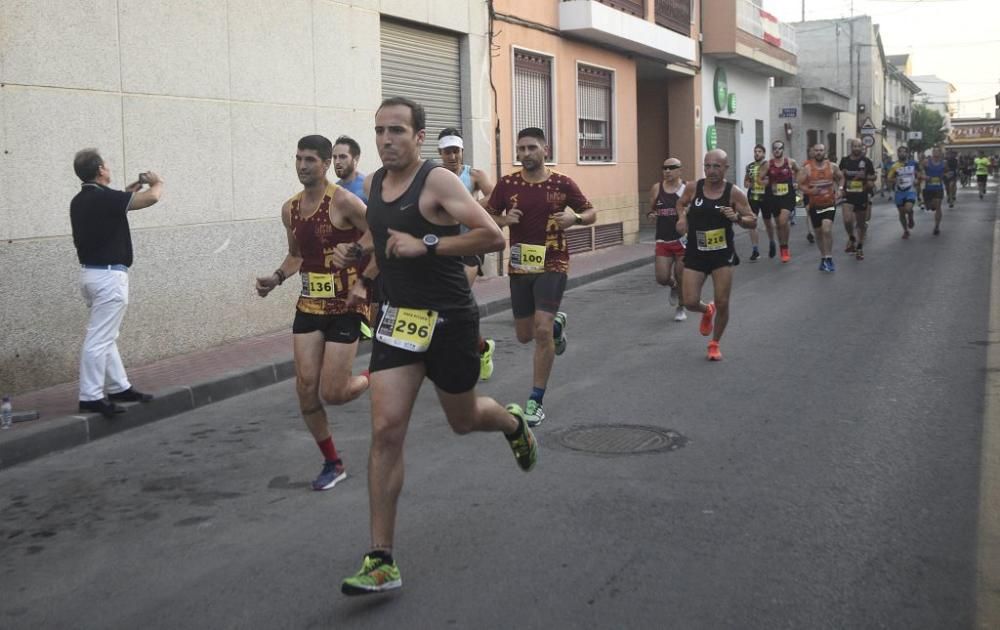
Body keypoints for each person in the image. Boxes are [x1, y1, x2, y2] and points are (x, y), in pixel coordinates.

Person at [337, 96, 537, 596]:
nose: (387, 139)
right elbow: (381, 237)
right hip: (397, 321)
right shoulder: (374, 185)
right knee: (385, 430)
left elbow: (491, 236)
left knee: (463, 419)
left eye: (398, 131)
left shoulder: (439, 181)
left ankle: (512, 422)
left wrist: (427, 244)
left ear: (419, 137)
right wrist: (358, 252)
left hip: (448, 320)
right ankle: (381, 557)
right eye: (380, 130)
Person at [255, 135, 374, 492]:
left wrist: (356, 257)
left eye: (310, 159)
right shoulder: (289, 209)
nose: (302, 165)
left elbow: (380, 234)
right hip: (308, 305)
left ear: (325, 164)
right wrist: (275, 278)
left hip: (345, 307)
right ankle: (332, 462)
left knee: (334, 392)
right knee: (306, 389)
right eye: (298, 159)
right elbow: (297, 256)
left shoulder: (344, 201)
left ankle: (375, 372)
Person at [486, 127, 597, 427]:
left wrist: (575, 218)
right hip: (521, 266)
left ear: (545, 150)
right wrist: (503, 220)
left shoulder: (562, 183)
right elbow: (485, 213)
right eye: (520, 149)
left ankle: (535, 400)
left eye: (531, 148)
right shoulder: (507, 184)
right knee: (524, 335)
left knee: (542, 330)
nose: (525, 154)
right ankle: (558, 326)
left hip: (554, 262)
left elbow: (591, 213)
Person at [70, 149, 162, 418]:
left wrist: (125, 193)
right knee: (99, 338)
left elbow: (108, 211)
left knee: (106, 334)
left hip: (90, 275)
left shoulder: (80, 201)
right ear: (100, 170)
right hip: (109, 278)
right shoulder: (105, 199)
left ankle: (119, 387)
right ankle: (90, 396)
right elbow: (152, 198)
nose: (109, 168)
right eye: (107, 165)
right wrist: (158, 182)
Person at [675, 149, 756, 361]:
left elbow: (752, 220)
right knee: (690, 301)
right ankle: (706, 310)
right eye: (707, 166)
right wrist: (682, 217)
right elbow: (681, 203)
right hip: (696, 251)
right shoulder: (694, 187)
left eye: (716, 166)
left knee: (722, 301)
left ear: (726, 168)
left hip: (722, 254)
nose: (711, 171)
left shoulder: (733, 192)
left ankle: (714, 343)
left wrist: (737, 217)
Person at [437, 127, 497, 380]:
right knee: (449, 308)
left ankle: (459, 356)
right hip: (442, 249)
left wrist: (468, 208)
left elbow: (496, 198)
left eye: (456, 151)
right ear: (440, 153)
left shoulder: (473, 175)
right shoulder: (434, 176)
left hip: (469, 247)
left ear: (462, 151)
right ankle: (482, 347)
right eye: (447, 152)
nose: (452, 156)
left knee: (454, 298)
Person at [647, 157, 687, 321]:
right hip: (663, 240)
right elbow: (651, 210)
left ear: (679, 170)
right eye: (664, 168)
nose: (667, 171)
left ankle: (681, 307)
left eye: (672, 168)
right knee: (662, 278)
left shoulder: (686, 189)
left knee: (681, 274)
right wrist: (651, 215)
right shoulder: (657, 188)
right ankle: (674, 287)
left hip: (683, 240)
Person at [798, 143, 844, 272]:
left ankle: (829, 258)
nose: (819, 152)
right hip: (814, 205)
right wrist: (809, 191)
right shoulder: (807, 168)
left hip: (829, 203)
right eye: (816, 150)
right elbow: (799, 184)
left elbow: (841, 178)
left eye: (821, 150)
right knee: (818, 233)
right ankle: (823, 257)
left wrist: (840, 190)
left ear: (825, 152)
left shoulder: (832, 166)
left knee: (827, 229)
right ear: (813, 152)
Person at [760, 140, 799, 263]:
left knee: (783, 221)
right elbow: (759, 178)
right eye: (775, 148)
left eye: (779, 148)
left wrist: (796, 182)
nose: (777, 150)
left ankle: (785, 247)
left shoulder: (790, 162)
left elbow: (799, 171)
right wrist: (764, 183)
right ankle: (782, 247)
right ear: (772, 150)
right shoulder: (768, 164)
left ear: (783, 149)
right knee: (778, 224)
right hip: (773, 196)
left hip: (788, 196)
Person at [838, 139, 876, 260]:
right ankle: (851, 237)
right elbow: (839, 176)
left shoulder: (866, 161)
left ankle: (859, 248)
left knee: (861, 224)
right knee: (847, 220)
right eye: (855, 146)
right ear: (851, 147)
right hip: (848, 195)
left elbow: (874, 176)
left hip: (861, 195)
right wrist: (840, 188)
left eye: (859, 146)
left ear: (862, 147)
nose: (857, 148)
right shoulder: (844, 161)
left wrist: (866, 176)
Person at [743, 144, 775, 260]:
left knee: (767, 222)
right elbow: (745, 182)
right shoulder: (750, 166)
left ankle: (772, 242)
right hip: (753, 197)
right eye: (755, 151)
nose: (757, 153)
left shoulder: (768, 166)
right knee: (752, 222)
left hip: (765, 197)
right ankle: (755, 250)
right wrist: (749, 184)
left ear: (764, 154)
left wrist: (765, 182)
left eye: (759, 151)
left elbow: (769, 181)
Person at [887, 146, 924, 239]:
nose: (902, 153)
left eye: (904, 152)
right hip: (899, 192)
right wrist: (895, 180)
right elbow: (889, 178)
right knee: (902, 213)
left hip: (910, 191)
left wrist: (917, 179)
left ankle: (911, 217)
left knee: (908, 209)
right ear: (898, 153)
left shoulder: (913, 163)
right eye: (900, 152)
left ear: (907, 153)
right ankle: (905, 230)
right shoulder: (894, 166)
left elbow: (920, 173)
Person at [333, 135, 367, 203]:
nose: (337, 162)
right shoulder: (333, 189)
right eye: (334, 157)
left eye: (342, 157)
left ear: (356, 159)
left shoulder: (367, 187)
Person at [922, 146, 947, 235]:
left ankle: (937, 226)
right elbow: (920, 172)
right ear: (932, 153)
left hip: (938, 188)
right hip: (929, 188)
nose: (936, 153)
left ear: (940, 153)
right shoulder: (926, 162)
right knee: (930, 207)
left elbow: (946, 172)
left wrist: (945, 176)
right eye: (934, 152)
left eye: (938, 152)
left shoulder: (944, 163)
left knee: (938, 205)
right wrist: (924, 177)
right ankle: (930, 205)